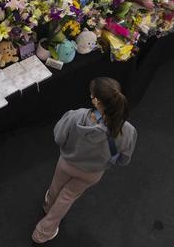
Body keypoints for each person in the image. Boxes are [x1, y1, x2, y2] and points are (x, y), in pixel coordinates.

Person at [32, 77, 137, 244]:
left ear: (95, 100)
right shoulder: (127, 131)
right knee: (68, 197)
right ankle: (43, 232)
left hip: (66, 163)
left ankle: (47, 205)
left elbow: (59, 137)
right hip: (92, 173)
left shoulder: (76, 116)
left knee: (56, 186)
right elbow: (124, 159)